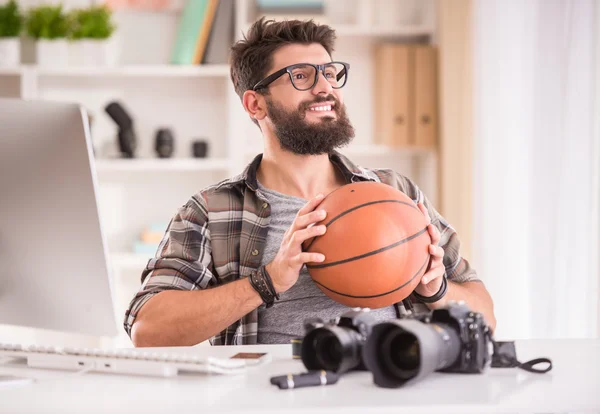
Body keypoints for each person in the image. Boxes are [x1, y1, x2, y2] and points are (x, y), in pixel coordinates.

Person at [125, 18, 496, 347]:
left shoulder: (394, 192)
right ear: (256, 105)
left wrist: (438, 291)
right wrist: (266, 281)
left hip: (385, 391)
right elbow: (148, 330)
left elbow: (486, 318)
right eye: (301, 76)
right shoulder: (211, 210)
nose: (325, 88)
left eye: (330, 73)